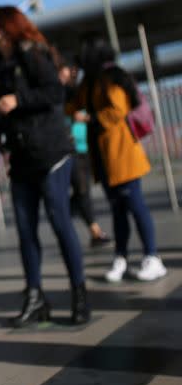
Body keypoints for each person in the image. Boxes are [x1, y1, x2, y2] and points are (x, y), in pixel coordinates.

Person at [0, 6, 89, 328]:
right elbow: (3, 103)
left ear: (10, 27)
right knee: (25, 231)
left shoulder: (32, 53)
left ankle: (79, 295)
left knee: (61, 223)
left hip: (50, 152)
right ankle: (35, 298)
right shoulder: (2, 65)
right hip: (22, 156)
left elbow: (54, 92)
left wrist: (18, 100)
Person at [70, 43, 167, 282]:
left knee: (135, 204)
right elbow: (72, 105)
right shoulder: (89, 82)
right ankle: (121, 258)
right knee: (118, 210)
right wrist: (67, 84)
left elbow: (117, 110)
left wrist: (90, 118)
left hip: (123, 154)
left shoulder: (112, 77)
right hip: (104, 158)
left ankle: (152, 257)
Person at [58, 65, 110, 248]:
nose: (69, 73)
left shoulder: (81, 91)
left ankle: (62, 216)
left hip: (86, 147)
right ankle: (95, 232)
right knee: (82, 191)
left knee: (81, 192)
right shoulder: (56, 93)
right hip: (72, 150)